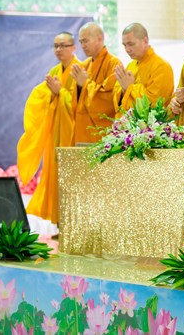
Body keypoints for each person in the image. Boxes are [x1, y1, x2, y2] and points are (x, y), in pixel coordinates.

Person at [17, 32, 81, 225]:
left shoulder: (80, 69)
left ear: (73, 48)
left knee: (71, 179)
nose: (59, 50)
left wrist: (60, 92)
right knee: (54, 177)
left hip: (72, 135)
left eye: (63, 45)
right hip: (56, 134)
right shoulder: (54, 71)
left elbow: (81, 103)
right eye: (56, 46)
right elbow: (42, 97)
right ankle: (59, 224)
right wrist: (53, 95)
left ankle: (72, 225)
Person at [70, 22, 120, 143]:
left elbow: (108, 100)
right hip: (82, 129)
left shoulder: (114, 64)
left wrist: (85, 84)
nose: (83, 45)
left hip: (102, 133)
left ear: (99, 38)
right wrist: (79, 87)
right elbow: (75, 102)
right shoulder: (84, 65)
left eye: (85, 41)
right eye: (81, 42)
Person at [113, 23, 174, 114]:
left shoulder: (161, 66)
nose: (127, 49)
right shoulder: (131, 65)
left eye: (131, 44)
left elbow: (154, 103)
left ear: (145, 41)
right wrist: (123, 90)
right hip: (127, 121)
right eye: (124, 45)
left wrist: (130, 87)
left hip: (150, 123)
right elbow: (118, 98)